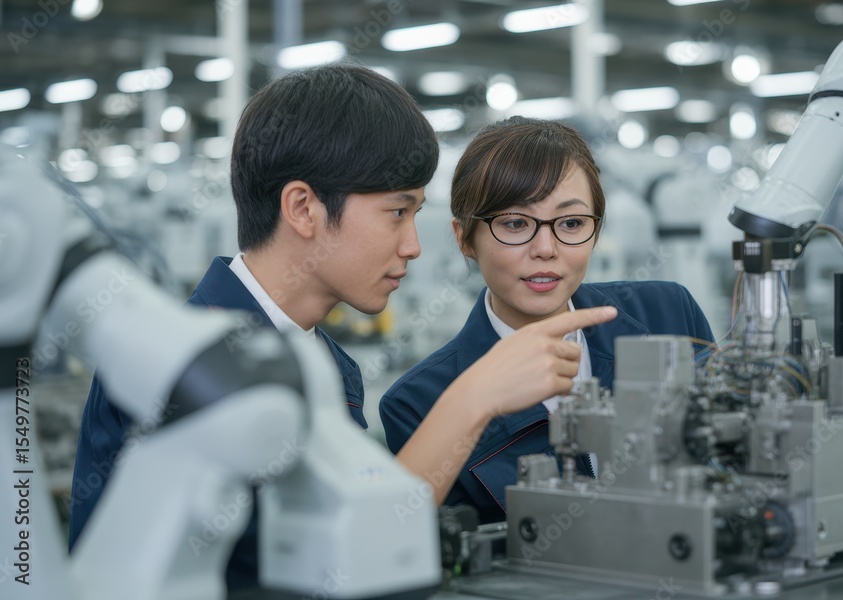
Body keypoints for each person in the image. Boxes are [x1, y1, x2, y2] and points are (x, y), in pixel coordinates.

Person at [68, 66, 616, 590]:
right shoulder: (178, 369)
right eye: (397, 212)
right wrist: (471, 399)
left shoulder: (330, 368)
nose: (413, 246)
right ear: (304, 208)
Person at [380, 116, 714, 524]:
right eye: (515, 223)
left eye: (571, 223)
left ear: (596, 230)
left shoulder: (666, 314)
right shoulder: (418, 402)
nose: (545, 248)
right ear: (464, 237)